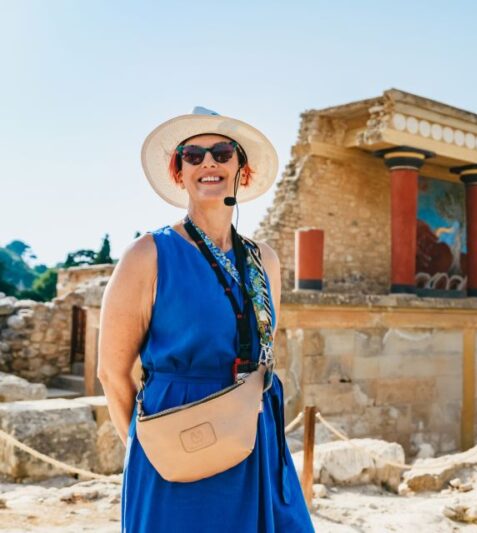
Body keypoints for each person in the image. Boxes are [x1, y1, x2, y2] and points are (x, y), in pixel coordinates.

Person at [97, 107, 315, 532]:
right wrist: (149, 449)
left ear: (242, 171)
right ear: (179, 173)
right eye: (192, 156)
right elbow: (111, 372)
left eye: (221, 152)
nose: (208, 163)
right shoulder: (147, 255)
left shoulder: (264, 260)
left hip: (256, 443)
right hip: (178, 447)